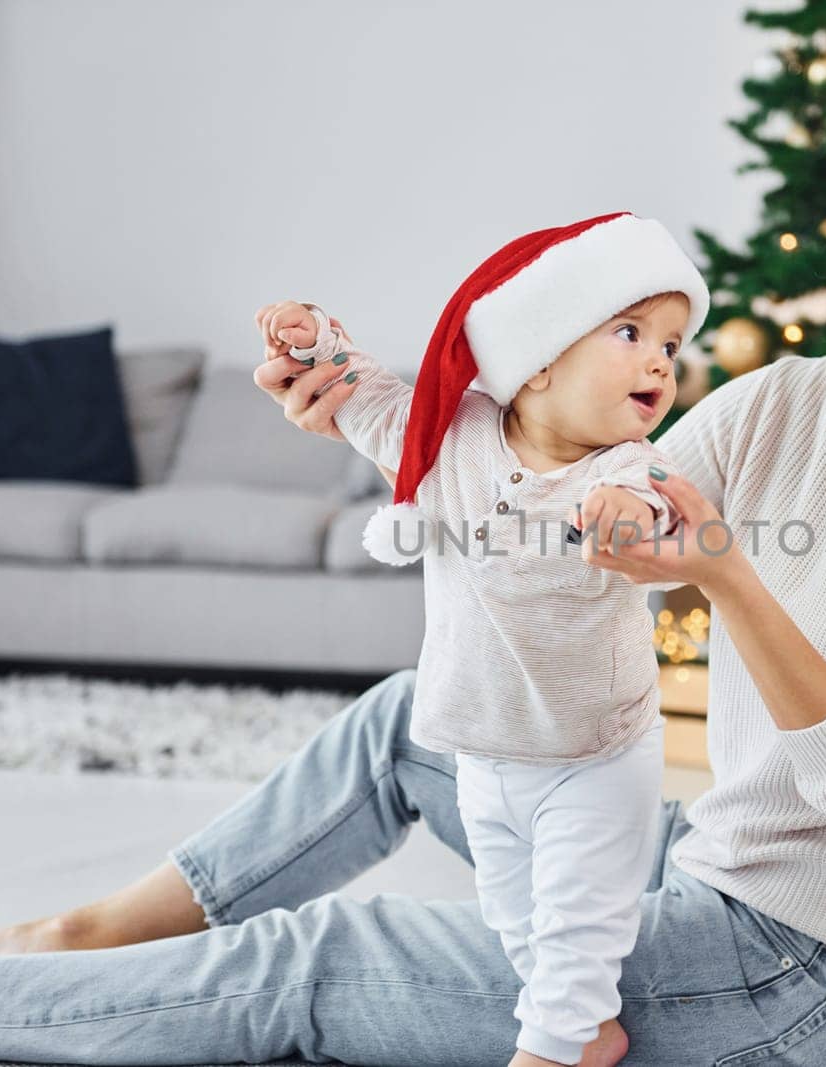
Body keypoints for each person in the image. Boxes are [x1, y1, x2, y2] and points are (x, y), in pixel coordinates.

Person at [0, 110, 826, 1067]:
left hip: (816, 972)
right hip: (722, 870)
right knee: (410, 718)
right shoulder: (798, 398)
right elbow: (564, 497)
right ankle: (77, 930)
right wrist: (378, 411)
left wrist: (726, 575)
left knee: (328, 963)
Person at [258, 210, 712, 1067]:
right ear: (537, 360)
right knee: (517, 920)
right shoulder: (451, 438)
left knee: (581, 928)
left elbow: (653, 497)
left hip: (596, 754)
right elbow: (375, 399)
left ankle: (552, 1049)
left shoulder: (618, 467)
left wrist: (630, 515)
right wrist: (316, 339)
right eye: (631, 331)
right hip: (482, 747)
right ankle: (593, 1032)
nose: (662, 359)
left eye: (672, 341)